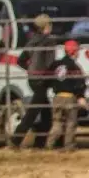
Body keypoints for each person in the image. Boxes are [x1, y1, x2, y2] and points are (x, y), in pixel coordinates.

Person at [11, 13, 56, 148]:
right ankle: (16, 140)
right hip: (43, 79)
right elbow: (50, 63)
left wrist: (30, 69)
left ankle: (40, 143)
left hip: (33, 79)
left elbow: (20, 60)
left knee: (46, 113)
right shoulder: (49, 40)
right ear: (46, 26)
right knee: (33, 113)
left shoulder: (33, 40)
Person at [46, 39, 87, 151]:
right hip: (70, 98)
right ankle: (69, 146)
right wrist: (80, 96)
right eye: (77, 51)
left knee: (57, 123)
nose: (78, 53)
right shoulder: (74, 67)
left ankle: (49, 144)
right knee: (70, 123)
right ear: (73, 52)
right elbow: (80, 84)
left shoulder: (55, 64)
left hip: (57, 97)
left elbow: (47, 78)